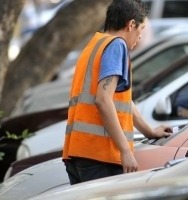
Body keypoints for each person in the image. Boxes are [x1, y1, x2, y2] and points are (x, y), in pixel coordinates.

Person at [62, 0, 172, 185]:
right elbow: (103, 101)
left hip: (78, 153)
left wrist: (149, 131)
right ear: (131, 25)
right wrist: (125, 151)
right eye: (141, 30)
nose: (140, 37)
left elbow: (122, 101)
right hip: (100, 157)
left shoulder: (94, 44)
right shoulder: (117, 45)